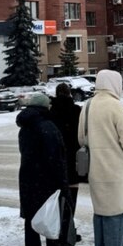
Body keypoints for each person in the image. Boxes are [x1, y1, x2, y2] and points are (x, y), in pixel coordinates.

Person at [78, 69, 123, 246]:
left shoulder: (88, 106)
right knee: (117, 216)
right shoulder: (115, 106)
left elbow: (81, 139)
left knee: (101, 216)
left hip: (96, 169)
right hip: (116, 169)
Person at [17, 92, 73, 246]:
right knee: (51, 216)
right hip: (47, 179)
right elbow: (56, 157)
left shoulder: (25, 127)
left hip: (28, 177)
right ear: (44, 107)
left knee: (31, 218)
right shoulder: (47, 126)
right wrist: (62, 182)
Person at [49, 82, 82, 215]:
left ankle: (58, 221)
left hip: (55, 157)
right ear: (69, 94)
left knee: (57, 194)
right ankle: (69, 221)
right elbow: (81, 133)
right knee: (72, 192)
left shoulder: (51, 112)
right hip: (73, 156)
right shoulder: (76, 110)